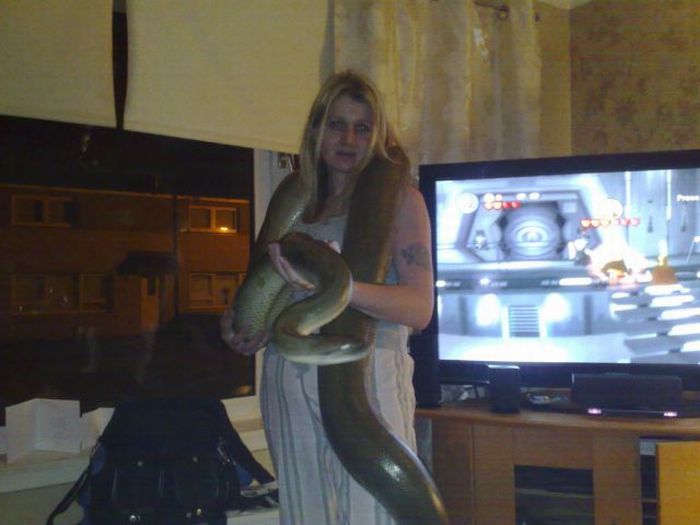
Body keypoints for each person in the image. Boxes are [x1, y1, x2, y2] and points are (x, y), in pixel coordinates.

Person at [221, 70, 434, 525]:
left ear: (377, 136)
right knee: (306, 516)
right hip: (288, 374)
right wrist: (242, 324)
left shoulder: (401, 200)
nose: (349, 139)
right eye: (337, 124)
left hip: (365, 368)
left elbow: (419, 309)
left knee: (373, 516)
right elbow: (262, 292)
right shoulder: (295, 204)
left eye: (362, 128)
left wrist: (341, 287)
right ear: (316, 129)